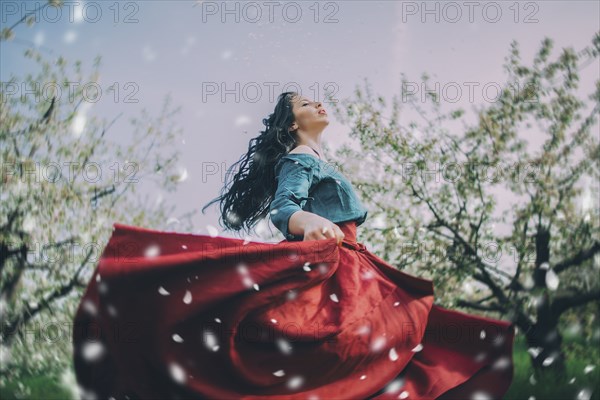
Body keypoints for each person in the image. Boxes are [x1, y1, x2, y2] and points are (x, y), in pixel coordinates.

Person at [72, 92, 515, 399]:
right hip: (337, 267)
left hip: (357, 265)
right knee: (391, 351)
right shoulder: (299, 159)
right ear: (291, 122)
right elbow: (283, 209)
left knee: (401, 349)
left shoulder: (318, 159)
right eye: (304, 103)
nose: (317, 103)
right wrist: (311, 222)